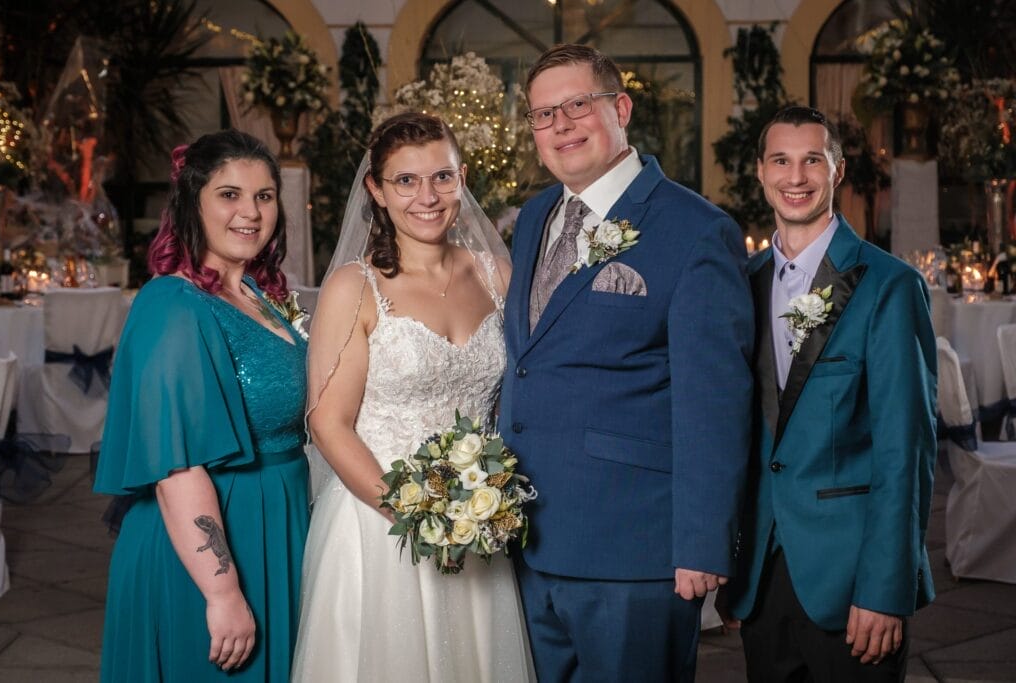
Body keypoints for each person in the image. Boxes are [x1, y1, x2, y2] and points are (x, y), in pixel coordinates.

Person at [499, 44, 754, 681]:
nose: (560, 125)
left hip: (633, 547)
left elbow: (715, 401)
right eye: (542, 114)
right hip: (528, 537)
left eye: (576, 105)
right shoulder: (534, 218)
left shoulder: (694, 228)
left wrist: (702, 543)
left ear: (621, 108)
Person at [291, 112, 534, 682]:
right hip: (381, 526)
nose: (427, 196)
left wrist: (478, 509)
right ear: (376, 189)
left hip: (478, 519)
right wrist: (418, 515)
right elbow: (329, 424)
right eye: (406, 181)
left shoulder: (498, 274)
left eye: (442, 178)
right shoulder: (356, 287)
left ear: (463, 179)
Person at [722, 106, 936, 681]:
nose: (797, 177)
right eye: (781, 161)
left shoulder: (890, 286)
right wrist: (733, 571)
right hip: (761, 576)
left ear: (837, 170)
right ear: (761, 172)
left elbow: (906, 452)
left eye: (812, 160)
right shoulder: (741, 284)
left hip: (851, 580)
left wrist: (886, 588)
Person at [94, 130, 310, 681]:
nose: (251, 212)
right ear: (193, 202)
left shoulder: (258, 294)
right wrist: (222, 591)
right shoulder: (172, 303)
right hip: (207, 548)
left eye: (264, 196)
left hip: (276, 522)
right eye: (229, 194)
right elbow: (175, 467)